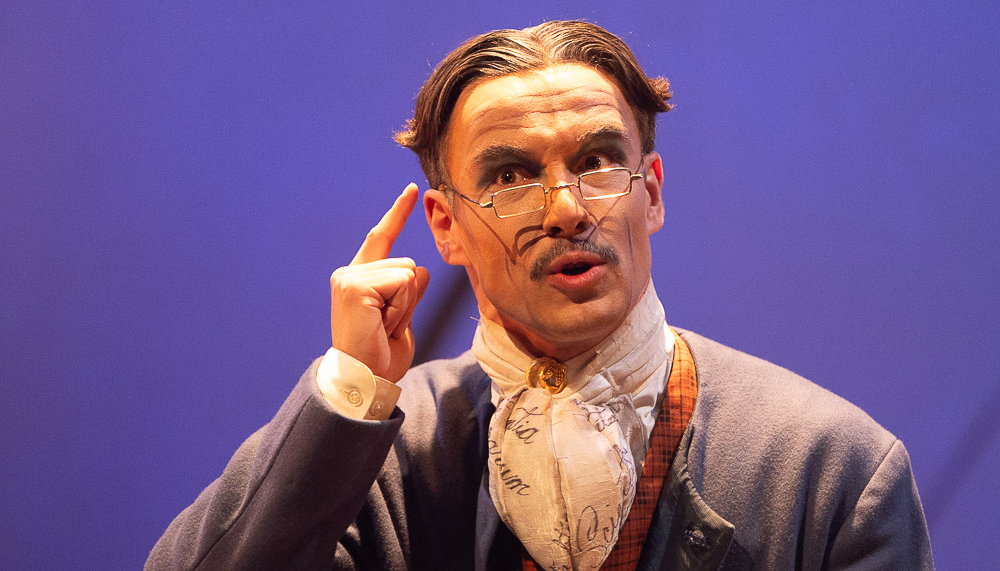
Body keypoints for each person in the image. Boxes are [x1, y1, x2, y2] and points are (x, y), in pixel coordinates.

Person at [145, 20, 933, 571]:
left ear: (652, 192)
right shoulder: (386, 458)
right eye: (510, 175)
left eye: (597, 160)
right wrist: (351, 389)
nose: (566, 209)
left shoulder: (831, 471)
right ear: (446, 227)